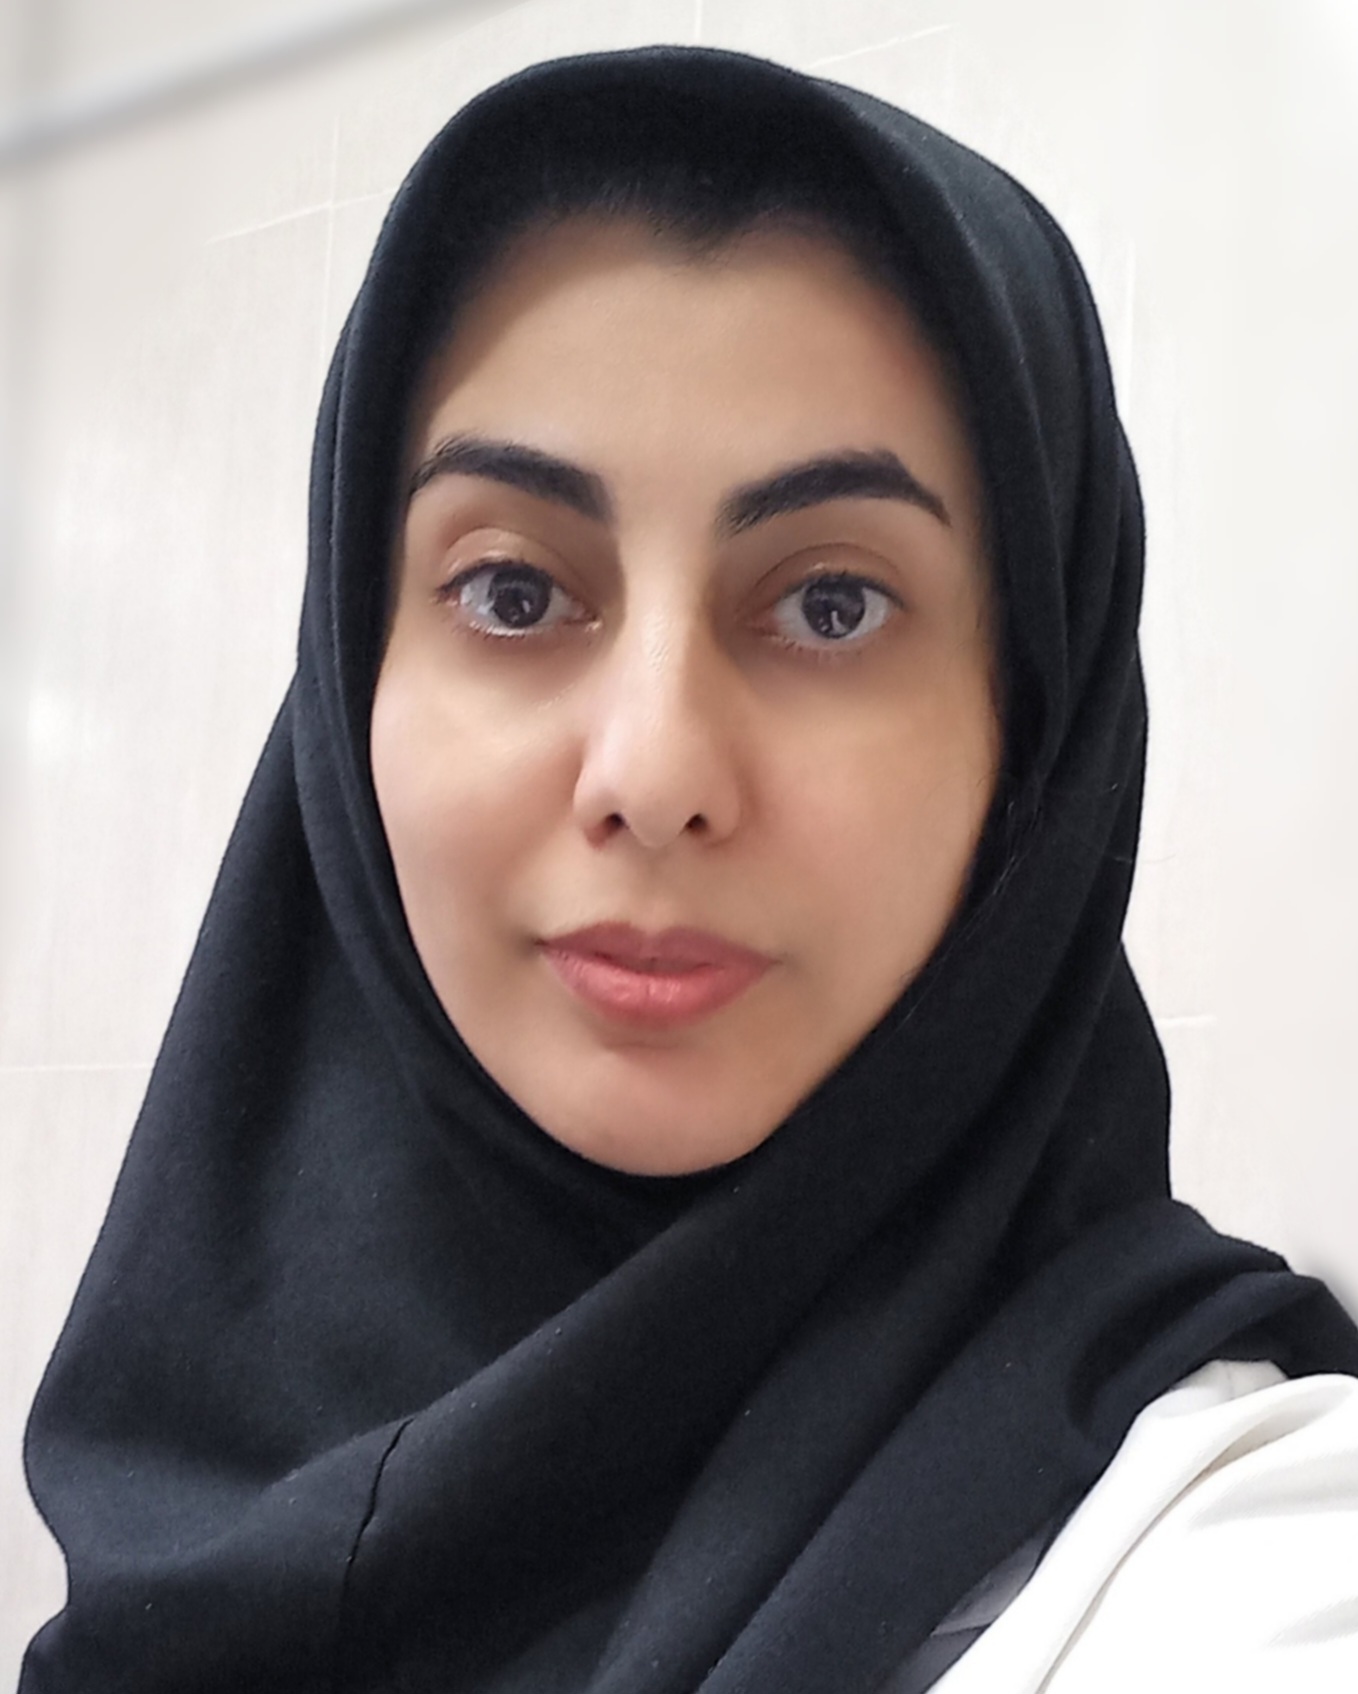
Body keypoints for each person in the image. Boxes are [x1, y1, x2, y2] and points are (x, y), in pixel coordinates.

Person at [19, 43, 1358, 1694]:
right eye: (513, 591)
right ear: (351, 680)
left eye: (829, 604)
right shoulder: (183, 1477)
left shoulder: (1237, 1559)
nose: (651, 776)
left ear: (1029, 731)